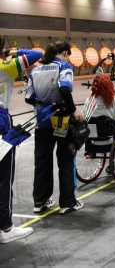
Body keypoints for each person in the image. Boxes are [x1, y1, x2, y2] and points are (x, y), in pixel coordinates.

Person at [25, 41, 85, 215]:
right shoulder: (64, 66)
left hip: (43, 118)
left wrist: (43, 106)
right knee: (65, 157)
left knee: (42, 159)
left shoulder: (35, 70)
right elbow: (65, 89)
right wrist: (73, 110)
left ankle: (40, 201)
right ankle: (67, 203)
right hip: (62, 118)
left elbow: (29, 97)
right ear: (66, 52)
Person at [0, 41, 42, 243]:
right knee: (3, 178)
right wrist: (9, 52)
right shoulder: (5, 67)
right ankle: (6, 229)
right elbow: (37, 53)